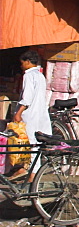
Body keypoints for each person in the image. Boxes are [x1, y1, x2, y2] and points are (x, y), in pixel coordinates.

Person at [8, 50, 51, 178]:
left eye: (22, 63)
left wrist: (18, 113)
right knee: (35, 145)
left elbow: (27, 97)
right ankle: (25, 171)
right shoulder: (40, 75)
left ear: (27, 62)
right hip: (40, 114)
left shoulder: (29, 75)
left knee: (30, 144)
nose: (21, 66)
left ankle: (33, 175)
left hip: (30, 115)